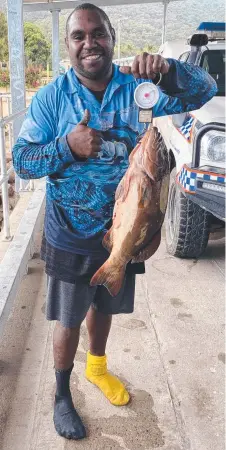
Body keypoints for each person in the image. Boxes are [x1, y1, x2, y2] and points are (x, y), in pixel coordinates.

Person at [12, 3, 217, 441]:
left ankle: (97, 368)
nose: (90, 43)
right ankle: (62, 393)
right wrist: (66, 146)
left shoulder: (139, 87)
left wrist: (169, 74)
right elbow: (23, 161)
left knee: (105, 303)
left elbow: (204, 90)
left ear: (111, 37)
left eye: (98, 33)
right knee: (68, 317)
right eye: (79, 36)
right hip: (69, 228)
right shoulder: (52, 99)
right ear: (67, 45)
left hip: (128, 231)